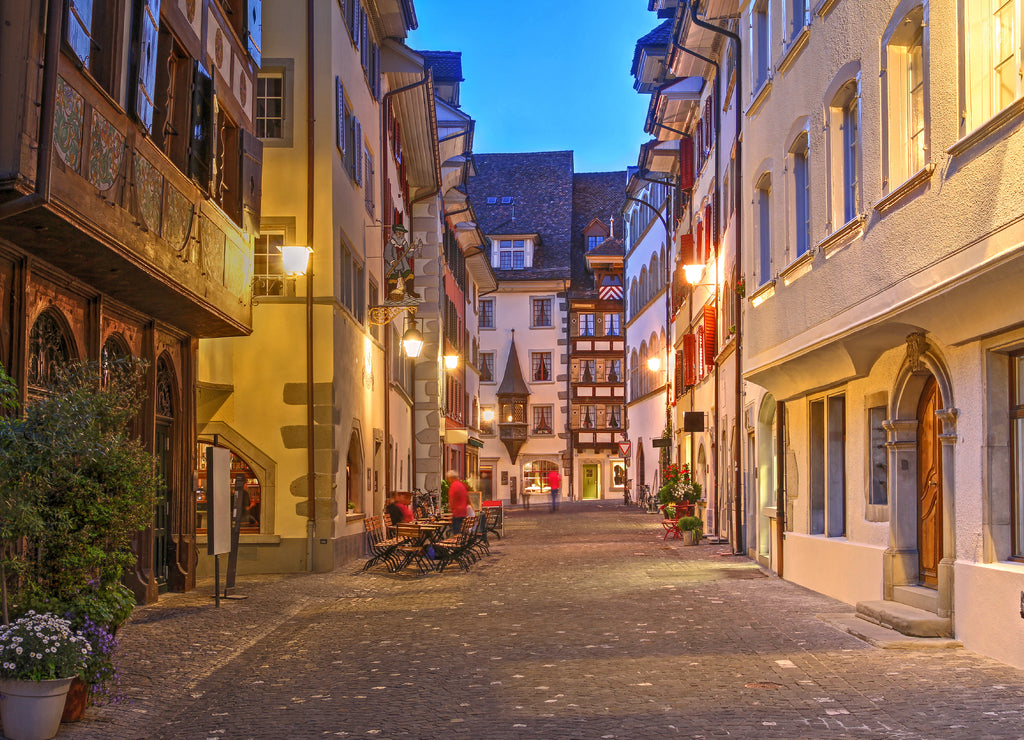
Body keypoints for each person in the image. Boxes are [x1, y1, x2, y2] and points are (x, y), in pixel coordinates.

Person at [446, 470, 468, 535]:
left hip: (457, 512)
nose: (448, 480)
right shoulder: (461, 484)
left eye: (448, 478)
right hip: (463, 511)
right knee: (461, 532)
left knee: (457, 533)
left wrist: (450, 509)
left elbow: (452, 499)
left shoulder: (454, 485)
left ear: (451, 478)